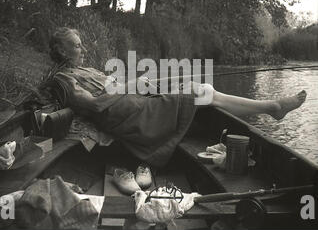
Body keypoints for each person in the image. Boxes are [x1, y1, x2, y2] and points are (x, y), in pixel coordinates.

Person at [47, 27, 307, 167]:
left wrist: (137, 84)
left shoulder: (86, 69)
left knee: (197, 85)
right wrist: (132, 86)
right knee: (199, 93)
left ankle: (271, 108)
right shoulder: (64, 79)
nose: (83, 48)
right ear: (60, 49)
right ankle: (272, 107)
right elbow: (94, 105)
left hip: (133, 102)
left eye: (81, 44)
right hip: (128, 116)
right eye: (77, 45)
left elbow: (114, 87)